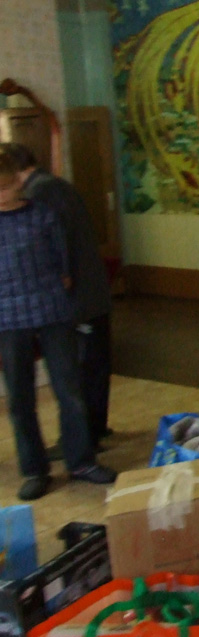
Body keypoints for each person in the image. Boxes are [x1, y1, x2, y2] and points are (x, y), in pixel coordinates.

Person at [0, 148, 116, 501]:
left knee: (70, 391)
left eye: (5, 187)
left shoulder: (43, 214)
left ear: (16, 182)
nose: (2, 195)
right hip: (8, 319)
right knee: (20, 398)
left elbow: (64, 268)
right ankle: (35, 470)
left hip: (53, 313)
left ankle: (81, 462)